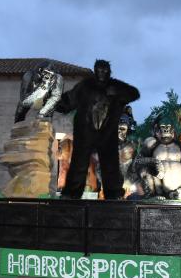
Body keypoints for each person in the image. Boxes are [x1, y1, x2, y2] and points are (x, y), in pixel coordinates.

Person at [55, 59, 140, 199]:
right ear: (95, 70)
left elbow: (134, 93)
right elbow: (68, 101)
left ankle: (113, 195)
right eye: (99, 70)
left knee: (110, 166)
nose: (101, 73)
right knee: (79, 164)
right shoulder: (85, 86)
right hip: (85, 131)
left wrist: (118, 93)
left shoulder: (115, 85)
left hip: (107, 133)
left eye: (104, 70)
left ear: (109, 72)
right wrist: (52, 101)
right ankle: (71, 194)